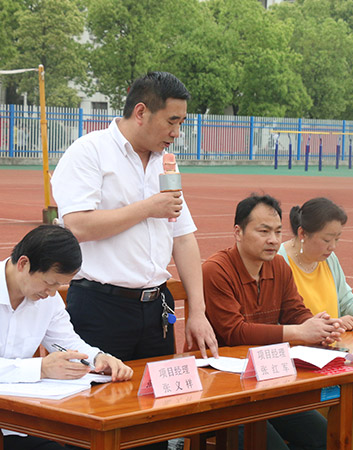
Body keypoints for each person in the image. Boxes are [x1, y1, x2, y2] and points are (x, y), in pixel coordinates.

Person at [50, 71, 218, 368]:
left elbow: (182, 237)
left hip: (157, 309)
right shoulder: (89, 152)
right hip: (100, 308)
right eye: (171, 121)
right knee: (100, 393)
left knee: (159, 393)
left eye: (181, 123)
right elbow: (78, 226)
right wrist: (148, 208)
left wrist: (197, 311)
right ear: (141, 112)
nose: (177, 133)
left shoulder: (165, 163)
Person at [0, 225, 133, 450]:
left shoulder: (47, 299)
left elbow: (68, 343)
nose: (52, 292)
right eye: (49, 282)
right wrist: (41, 368)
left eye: (59, 285)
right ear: (23, 263)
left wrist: (98, 358)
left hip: (10, 423)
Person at [202, 194, 344, 450]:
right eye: (263, 231)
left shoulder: (278, 265)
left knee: (327, 437)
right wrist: (299, 332)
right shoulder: (216, 270)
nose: (273, 240)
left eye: (278, 232)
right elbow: (234, 332)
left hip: (268, 381)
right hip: (224, 391)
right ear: (238, 232)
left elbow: (295, 311)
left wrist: (320, 326)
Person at [278, 197, 353, 450]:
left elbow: (346, 299)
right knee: (350, 392)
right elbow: (281, 318)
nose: (332, 247)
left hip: (332, 355)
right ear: (302, 234)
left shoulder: (328, 260)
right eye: (326, 239)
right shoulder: (280, 261)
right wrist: (331, 324)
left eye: (337, 239)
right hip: (299, 364)